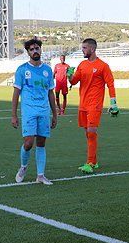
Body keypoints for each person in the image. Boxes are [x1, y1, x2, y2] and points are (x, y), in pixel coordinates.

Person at [11, 38, 57, 185]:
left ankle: (40, 175)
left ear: (40, 50)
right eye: (32, 49)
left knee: (41, 142)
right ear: (28, 52)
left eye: (37, 48)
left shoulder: (47, 70)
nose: (35, 51)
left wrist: (54, 114)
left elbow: (50, 93)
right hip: (29, 111)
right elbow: (16, 93)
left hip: (44, 111)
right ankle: (23, 167)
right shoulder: (22, 70)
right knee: (29, 142)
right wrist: (14, 115)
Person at [68, 38, 117, 174]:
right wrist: (69, 76)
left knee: (91, 132)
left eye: (84, 48)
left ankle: (89, 163)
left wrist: (113, 103)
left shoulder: (103, 66)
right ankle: (94, 162)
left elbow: (110, 84)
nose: (82, 50)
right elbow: (74, 81)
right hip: (83, 104)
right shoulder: (82, 64)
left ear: (92, 49)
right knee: (88, 133)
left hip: (94, 105)